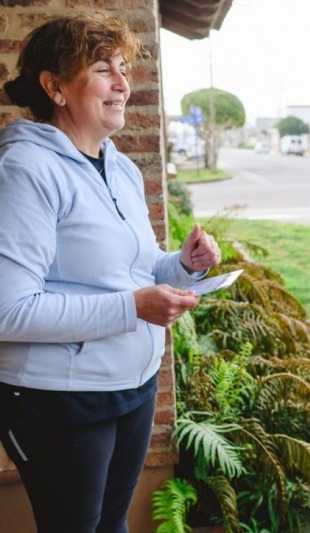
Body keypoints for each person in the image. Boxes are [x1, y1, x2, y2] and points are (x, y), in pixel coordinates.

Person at [0, 14, 221, 532]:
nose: (124, 83)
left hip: (133, 385)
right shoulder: (24, 171)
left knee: (113, 526)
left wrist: (184, 266)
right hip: (57, 400)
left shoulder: (119, 167)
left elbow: (135, 270)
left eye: (124, 68)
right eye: (104, 69)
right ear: (54, 87)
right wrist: (134, 307)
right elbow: (8, 311)